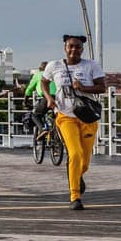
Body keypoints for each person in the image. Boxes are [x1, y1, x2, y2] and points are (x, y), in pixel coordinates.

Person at [41, 35, 105, 210]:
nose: (74, 50)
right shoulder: (54, 66)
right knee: (74, 154)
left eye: (77, 47)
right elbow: (44, 82)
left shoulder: (91, 65)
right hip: (65, 116)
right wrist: (49, 98)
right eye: (70, 46)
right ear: (65, 47)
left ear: (82, 49)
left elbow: (102, 87)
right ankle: (75, 196)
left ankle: (76, 174)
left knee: (84, 162)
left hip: (87, 117)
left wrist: (84, 88)